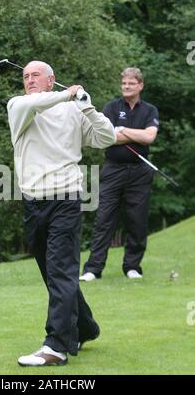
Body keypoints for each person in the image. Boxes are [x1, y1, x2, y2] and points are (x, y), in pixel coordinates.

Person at [7, 60, 116, 366]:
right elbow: (39, 101)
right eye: (25, 76)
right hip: (33, 202)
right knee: (53, 272)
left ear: (50, 79)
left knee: (60, 271)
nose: (29, 80)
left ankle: (56, 345)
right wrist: (68, 94)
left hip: (66, 199)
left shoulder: (72, 109)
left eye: (35, 75)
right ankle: (85, 327)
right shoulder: (19, 107)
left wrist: (88, 107)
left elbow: (106, 138)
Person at [80, 67, 159, 282]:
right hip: (113, 168)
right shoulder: (111, 107)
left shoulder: (150, 110)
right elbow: (107, 137)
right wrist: (134, 134)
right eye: (124, 83)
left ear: (140, 85)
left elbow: (149, 137)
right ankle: (93, 269)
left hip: (140, 172)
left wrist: (122, 130)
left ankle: (132, 266)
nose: (126, 87)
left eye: (131, 83)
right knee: (104, 219)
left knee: (137, 220)